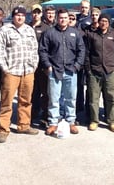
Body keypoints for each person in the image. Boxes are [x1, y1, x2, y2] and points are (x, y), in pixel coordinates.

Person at [0, 6, 39, 143]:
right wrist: (5, 68)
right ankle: (3, 129)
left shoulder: (29, 30)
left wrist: (33, 65)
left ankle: (24, 125)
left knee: (26, 101)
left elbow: (34, 49)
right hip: (11, 71)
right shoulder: (4, 30)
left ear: (25, 17)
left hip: (27, 71)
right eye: (17, 15)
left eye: (22, 15)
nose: (20, 17)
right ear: (13, 16)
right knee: (6, 101)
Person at [39, 8, 85, 136]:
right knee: (54, 99)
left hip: (71, 71)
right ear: (57, 19)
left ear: (68, 19)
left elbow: (81, 51)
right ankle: (53, 122)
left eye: (65, 18)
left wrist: (77, 66)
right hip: (55, 71)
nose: (63, 20)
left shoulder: (75, 33)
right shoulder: (49, 33)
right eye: (61, 18)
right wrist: (48, 65)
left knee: (71, 98)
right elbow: (43, 50)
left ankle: (71, 121)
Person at [85, 13, 114, 132]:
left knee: (111, 98)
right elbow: (86, 53)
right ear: (98, 22)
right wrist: (89, 69)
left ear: (109, 22)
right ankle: (94, 121)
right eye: (102, 21)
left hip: (110, 71)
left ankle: (112, 121)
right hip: (95, 72)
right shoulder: (92, 35)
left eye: (106, 21)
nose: (104, 23)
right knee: (93, 98)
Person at [30, 4, 50, 127]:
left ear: (41, 14)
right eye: (34, 12)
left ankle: (45, 117)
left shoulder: (46, 28)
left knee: (45, 93)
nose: (36, 14)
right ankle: (31, 116)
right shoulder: (25, 27)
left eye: (38, 12)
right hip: (29, 66)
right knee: (31, 93)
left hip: (42, 66)